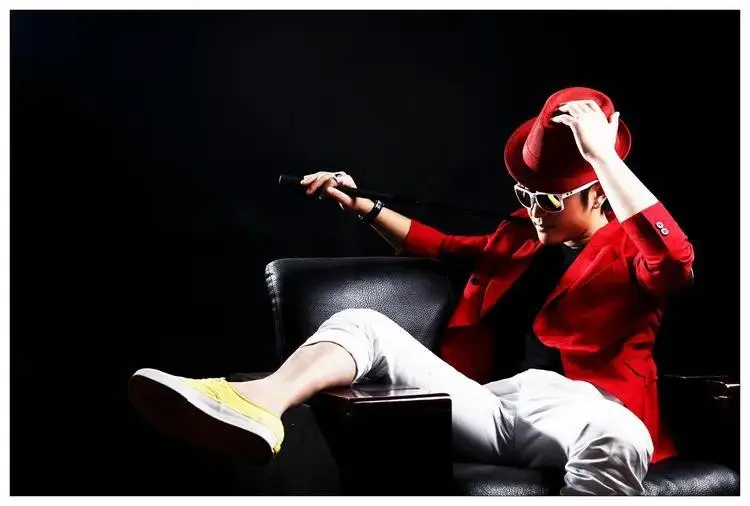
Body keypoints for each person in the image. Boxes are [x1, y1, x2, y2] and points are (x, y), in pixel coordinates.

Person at [128, 87, 695, 495]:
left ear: (598, 193)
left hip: (589, 412)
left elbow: (674, 258)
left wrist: (601, 154)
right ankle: (258, 404)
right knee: (363, 323)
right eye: (523, 194)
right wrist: (360, 205)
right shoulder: (519, 238)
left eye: (545, 200)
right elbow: (440, 245)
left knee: (619, 436)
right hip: (495, 404)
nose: (530, 209)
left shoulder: (634, 251)